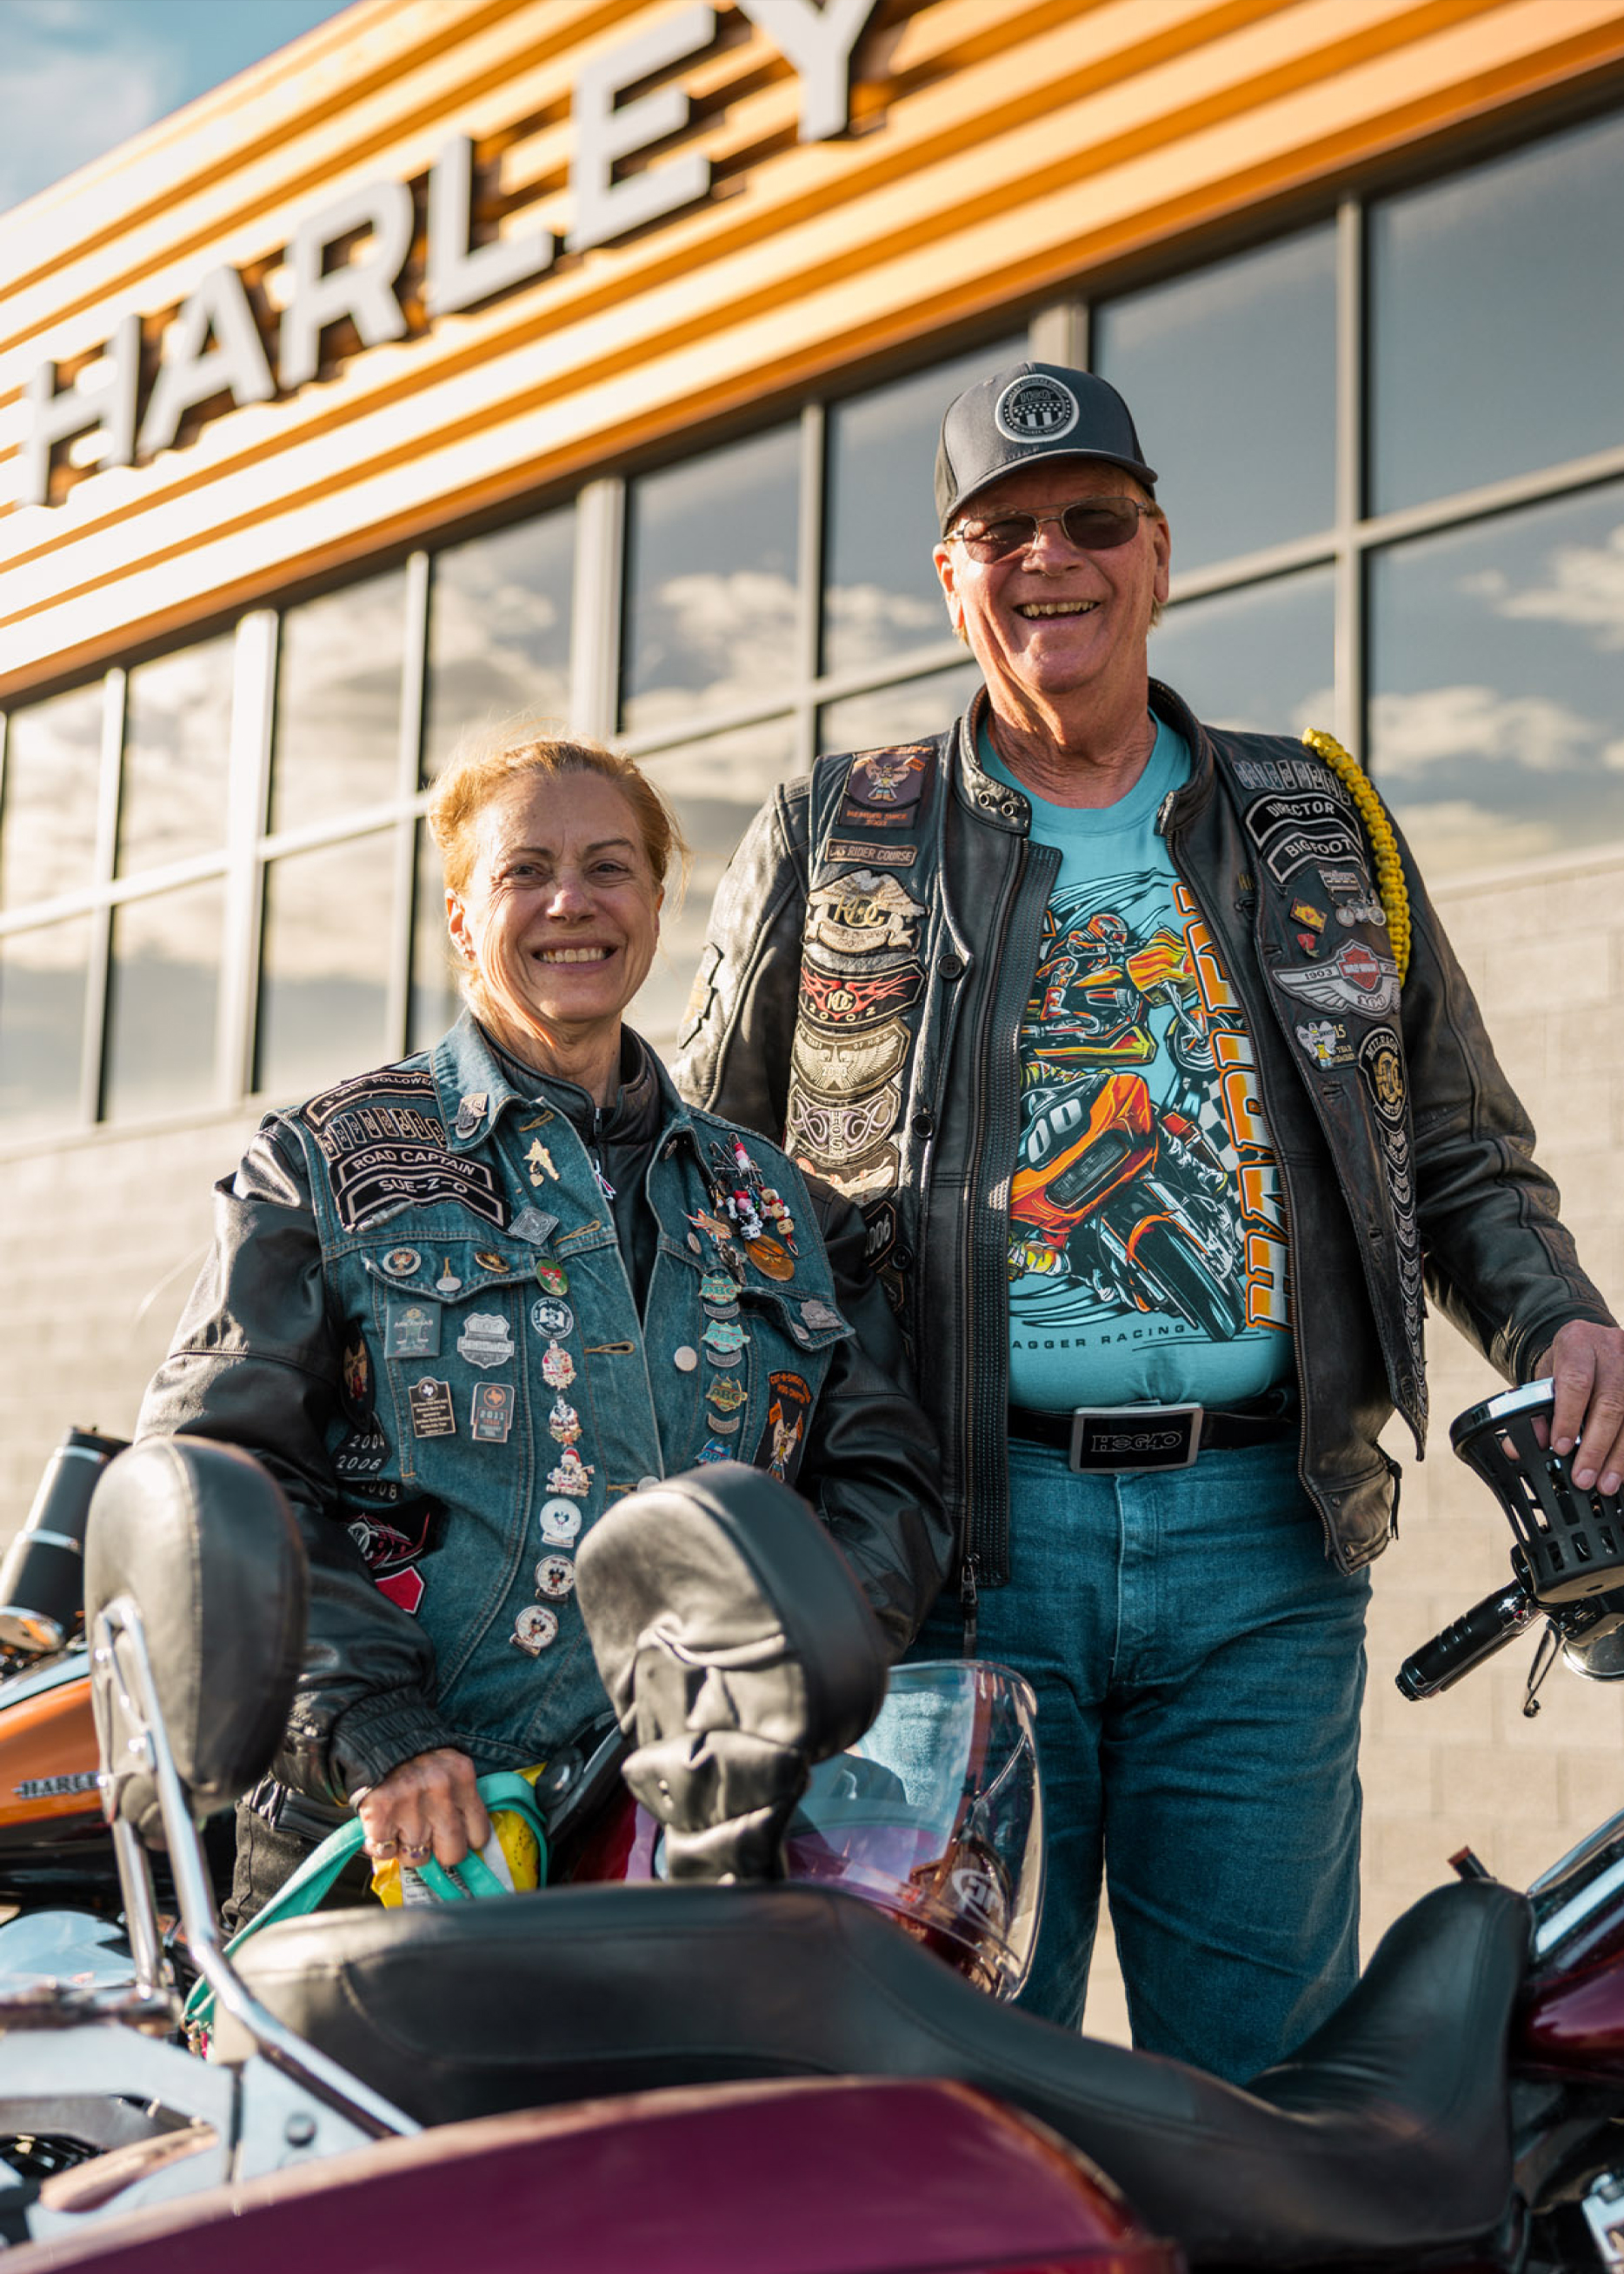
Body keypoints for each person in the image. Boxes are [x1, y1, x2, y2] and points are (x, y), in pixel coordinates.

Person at [675, 358, 1624, 2082]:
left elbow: (1461, 1159)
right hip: (948, 1565)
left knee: (1259, 2099)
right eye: (1002, 530)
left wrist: (1560, 1318)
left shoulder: (1311, 819)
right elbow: (710, 1192)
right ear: (950, 577)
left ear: (1161, 553)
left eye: (1091, 521)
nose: (1053, 558)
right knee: (952, 2091)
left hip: (1264, 1550)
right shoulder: (836, 831)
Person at [138, 729, 948, 1926]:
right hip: (395, 1848)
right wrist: (379, 1730)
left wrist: (777, 1687)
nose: (574, 900)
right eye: (527, 871)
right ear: (463, 919)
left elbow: (887, 1479)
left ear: (657, 906)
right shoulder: (317, 1161)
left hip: (694, 1848)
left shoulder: (779, 1201)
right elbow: (220, 1478)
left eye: (610, 866)